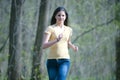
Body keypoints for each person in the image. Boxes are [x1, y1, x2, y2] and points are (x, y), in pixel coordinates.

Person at [42, 6, 78, 80]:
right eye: (59, 15)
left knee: (61, 78)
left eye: (63, 15)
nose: (61, 17)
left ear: (65, 17)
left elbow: (68, 42)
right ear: (55, 16)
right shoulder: (50, 28)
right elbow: (44, 45)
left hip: (64, 60)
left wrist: (73, 47)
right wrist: (56, 40)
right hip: (52, 60)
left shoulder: (69, 30)